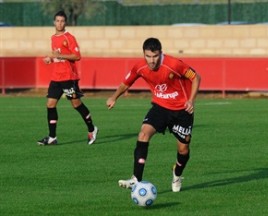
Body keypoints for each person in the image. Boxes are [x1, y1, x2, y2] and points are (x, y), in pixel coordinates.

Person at [106, 37, 200, 192]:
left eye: (155, 56)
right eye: (148, 56)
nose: (151, 60)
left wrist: (191, 100)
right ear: (143, 54)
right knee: (143, 134)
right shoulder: (140, 67)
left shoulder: (174, 64)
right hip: (160, 107)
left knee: (183, 150)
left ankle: (177, 174)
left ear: (160, 53)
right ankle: (136, 179)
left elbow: (196, 77)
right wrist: (113, 97)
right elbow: (126, 83)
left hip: (182, 110)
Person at [37, 10, 98, 145]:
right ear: (54, 22)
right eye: (57, 21)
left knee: (76, 104)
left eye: (62, 21)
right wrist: (50, 59)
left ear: (65, 23)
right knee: (50, 104)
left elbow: (77, 56)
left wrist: (60, 56)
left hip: (68, 77)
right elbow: (58, 57)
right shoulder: (53, 38)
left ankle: (92, 129)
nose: (60, 23)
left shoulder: (69, 37)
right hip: (56, 77)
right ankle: (52, 137)